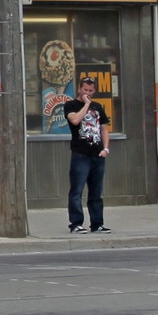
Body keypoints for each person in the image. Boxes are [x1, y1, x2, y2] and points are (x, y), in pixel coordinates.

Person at [61, 75, 110, 234]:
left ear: (94, 90)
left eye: (90, 90)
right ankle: (76, 223)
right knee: (77, 190)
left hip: (97, 154)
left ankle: (97, 223)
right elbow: (75, 120)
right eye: (84, 90)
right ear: (79, 89)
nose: (87, 92)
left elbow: (104, 128)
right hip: (80, 154)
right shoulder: (70, 105)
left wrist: (106, 148)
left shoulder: (98, 107)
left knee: (96, 191)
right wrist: (86, 104)